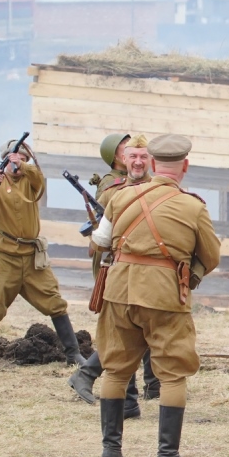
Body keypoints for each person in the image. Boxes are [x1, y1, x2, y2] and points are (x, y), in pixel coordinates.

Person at [90, 134, 221, 457]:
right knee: (172, 374)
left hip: (118, 291)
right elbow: (211, 256)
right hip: (165, 294)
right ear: (185, 166)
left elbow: (100, 241)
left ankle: (111, 451)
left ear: (151, 164)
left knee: (115, 370)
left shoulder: (119, 197)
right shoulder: (193, 206)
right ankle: (167, 454)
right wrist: (186, 275)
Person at [0, 138, 86, 370]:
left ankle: (73, 354)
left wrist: (23, 166)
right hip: (5, 255)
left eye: (23, 159)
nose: (18, 163)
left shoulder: (32, 180)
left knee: (54, 301)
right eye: (15, 159)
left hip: (32, 255)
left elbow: (38, 178)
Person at [69, 134, 162, 419]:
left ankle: (138, 394)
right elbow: (104, 233)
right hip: (117, 265)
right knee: (126, 329)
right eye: (128, 153)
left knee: (139, 327)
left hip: (141, 266)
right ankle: (90, 375)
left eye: (141, 155)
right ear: (118, 157)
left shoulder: (147, 184)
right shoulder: (113, 187)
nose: (134, 160)